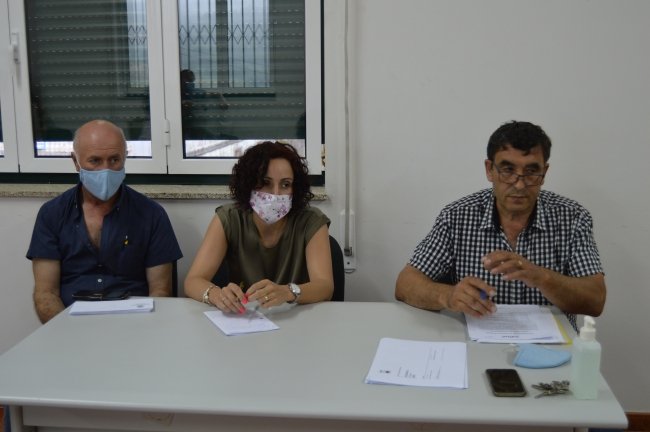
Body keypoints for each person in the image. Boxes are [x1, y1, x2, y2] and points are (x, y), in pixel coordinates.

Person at [395, 120, 606, 329]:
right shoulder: (457, 216)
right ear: (490, 170)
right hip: (476, 342)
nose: (519, 184)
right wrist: (448, 296)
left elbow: (595, 301)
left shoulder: (573, 218)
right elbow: (405, 284)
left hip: (552, 346)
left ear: (544, 173)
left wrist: (542, 277)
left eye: (531, 172)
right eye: (508, 170)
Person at [26, 119, 183, 323]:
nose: (106, 169)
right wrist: (66, 333)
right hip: (71, 325)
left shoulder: (151, 214)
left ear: (125, 158)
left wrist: (143, 333)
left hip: (134, 323)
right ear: (76, 162)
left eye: (114, 160)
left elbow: (161, 292)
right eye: (95, 161)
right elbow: (46, 295)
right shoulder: (52, 214)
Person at [184, 141, 333, 312]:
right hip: (245, 317)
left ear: (295, 188)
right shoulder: (229, 218)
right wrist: (217, 295)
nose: (276, 193)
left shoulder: (311, 221)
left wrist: (288, 292)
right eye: (265, 182)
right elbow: (193, 281)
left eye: (285, 184)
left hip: (296, 316)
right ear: (248, 184)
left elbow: (325, 287)